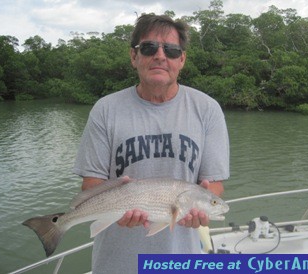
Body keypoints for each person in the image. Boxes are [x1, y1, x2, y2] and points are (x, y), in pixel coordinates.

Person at [73, 14, 230, 274]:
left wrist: (200, 204)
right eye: (148, 48)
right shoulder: (105, 109)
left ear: (181, 59)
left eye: (171, 50)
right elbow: (91, 184)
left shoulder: (207, 109)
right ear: (134, 56)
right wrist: (118, 201)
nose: (160, 56)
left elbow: (214, 184)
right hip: (116, 263)